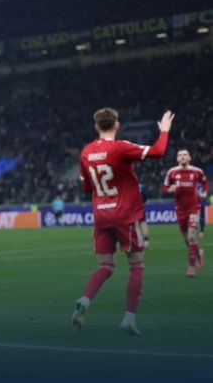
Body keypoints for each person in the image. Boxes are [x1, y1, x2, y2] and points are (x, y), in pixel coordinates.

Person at [72, 108, 174, 336]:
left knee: (105, 266)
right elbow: (158, 151)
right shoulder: (120, 147)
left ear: (96, 127)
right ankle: (129, 318)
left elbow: (86, 186)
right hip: (124, 215)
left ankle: (85, 300)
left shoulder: (86, 152)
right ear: (117, 125)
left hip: (101, 215)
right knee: (136, 265)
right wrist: (165, 131)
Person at [162, 148, 208, 277]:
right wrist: (170, 189)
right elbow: (164, 188)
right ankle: (198, 253)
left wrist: (204, 192)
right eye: (180, 155)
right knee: (186, 238)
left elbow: (205, 182)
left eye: (185, 155)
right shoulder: (172, 172)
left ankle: (191, 267)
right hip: (180, 209)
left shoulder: (197, 171)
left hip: (194, 207)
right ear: (177, 158)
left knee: (192, 236)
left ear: (189, 158)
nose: (183, 157)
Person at [138, 182, 150, 248]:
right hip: (140, 207)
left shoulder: (127, 185)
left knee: (133, 225)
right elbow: (145, 197)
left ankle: (137, 243)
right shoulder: (141, 186)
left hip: (130, 208)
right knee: (143, 223)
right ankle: (146, 242)